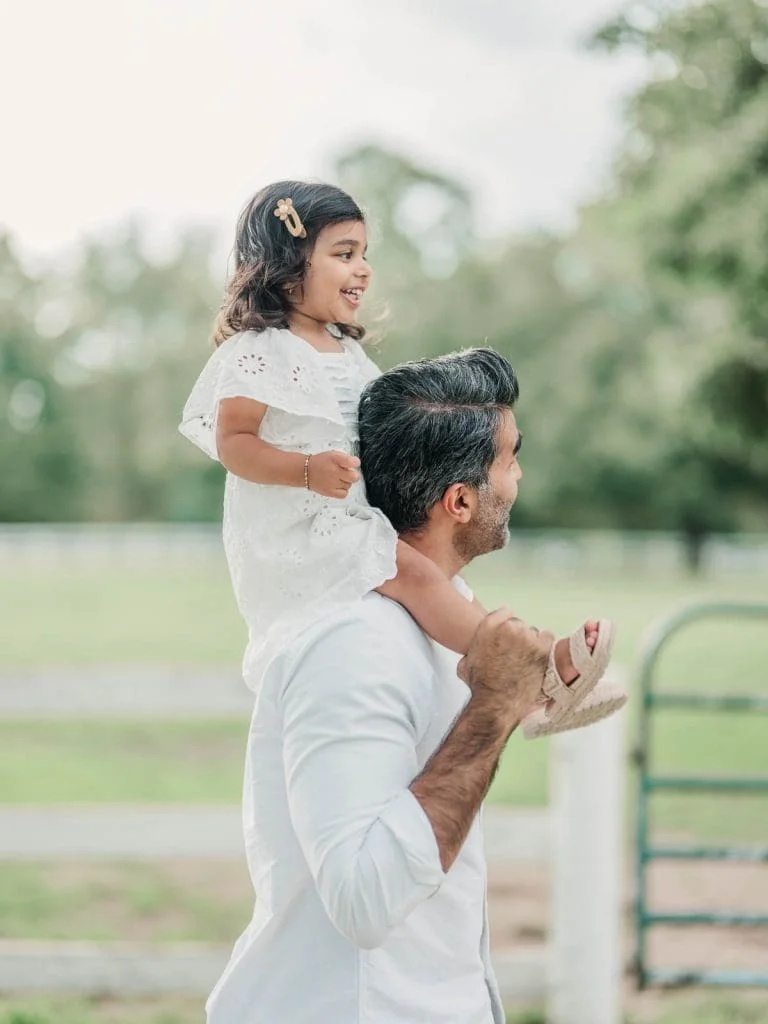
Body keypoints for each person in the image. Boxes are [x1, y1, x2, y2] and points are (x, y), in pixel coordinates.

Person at [202, 347, 620, 1024]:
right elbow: (363, 899)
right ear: (460, 500)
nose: (519, 477)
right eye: (510, 459)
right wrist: (493, 708)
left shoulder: (442, 612)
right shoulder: (355, 641)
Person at [179, 179, 625, 736]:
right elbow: (234, 443)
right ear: (287, 263)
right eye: (344, 254)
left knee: (440, 578)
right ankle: (523, 675)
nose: (362, 269)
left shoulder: (346, 352)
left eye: (365, 255)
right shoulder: (259, 352)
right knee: (414, 574)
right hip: (301, 528)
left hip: (352, 511)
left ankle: (541, 690)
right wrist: (306, 471)